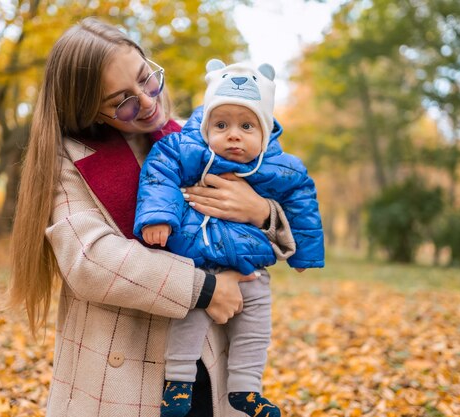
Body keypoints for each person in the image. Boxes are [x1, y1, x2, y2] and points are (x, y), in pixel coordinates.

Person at [8, 17, 297, 417]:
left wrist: (261, 212)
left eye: (147, 79)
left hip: (206, 363)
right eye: (121, 101)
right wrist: (205, 287)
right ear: (88, 109)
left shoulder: (195, 142)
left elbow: (274, 210)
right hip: (118, 370)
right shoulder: (68, 160)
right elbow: (91, 259)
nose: (147, 101)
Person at [133, 59, 324, 417]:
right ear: (206, 126)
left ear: (265, 132)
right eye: (221, 124)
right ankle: (178, 383)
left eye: (247, 125)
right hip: (199, 261)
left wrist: (305, 255)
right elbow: (159, 174)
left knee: (255, 327)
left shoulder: (282, 167)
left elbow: (303, 204)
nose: (233, 134)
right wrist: (159, 217)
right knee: (189, 318)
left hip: (251, 267)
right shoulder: (185, 148)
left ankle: (246, 389)